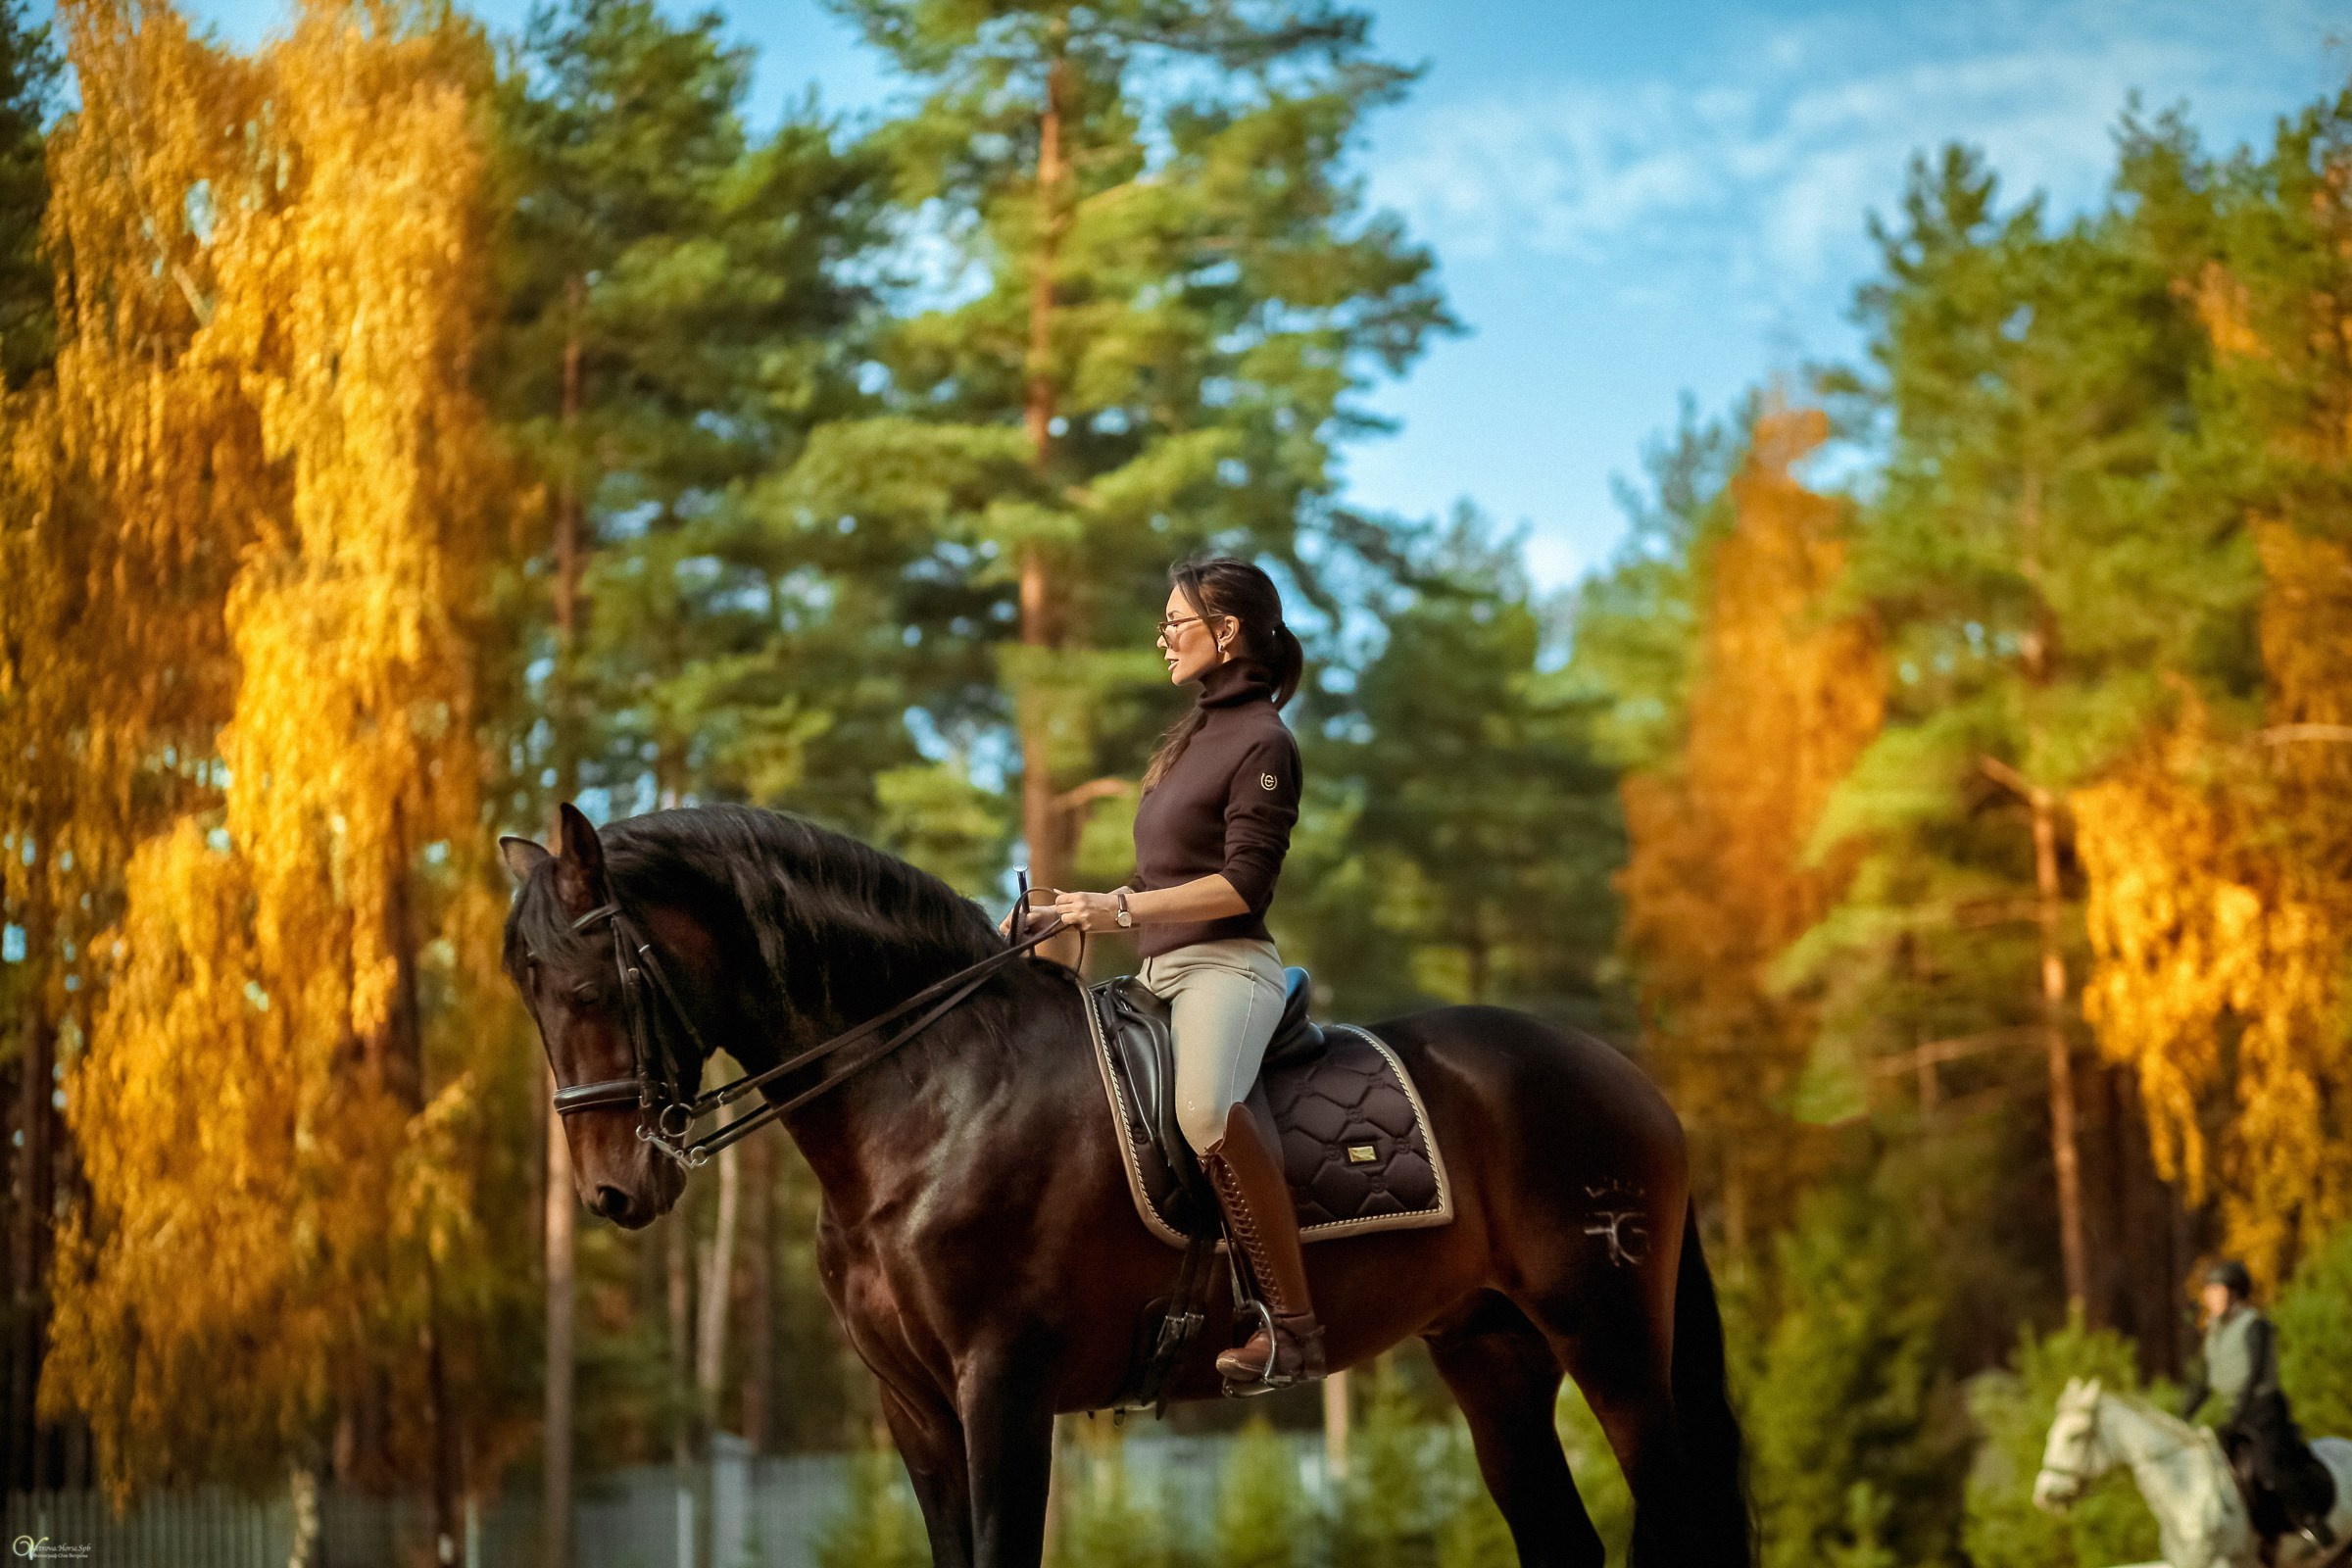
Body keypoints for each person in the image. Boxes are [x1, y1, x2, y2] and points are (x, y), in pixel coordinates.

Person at [1032, 557, 1322, 1393]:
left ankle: (1292, 1330)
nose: (1163, 639)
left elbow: (1242, 885)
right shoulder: (1193, 735)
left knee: (1203, 1109)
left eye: (1175, 623)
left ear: (1226, 632)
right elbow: (1159, 882)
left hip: (1227, 970)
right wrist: (1066, 909)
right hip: (1158, 972)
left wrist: (1114, 913)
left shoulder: (1265, 740)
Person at [2180, 1258, 2337, 1549]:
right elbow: (2201, 1384)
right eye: (2208, 1290)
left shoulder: (2254, 1325)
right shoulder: (2213, 1332)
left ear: (2234, 1292)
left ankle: (2312, 1521)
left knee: (2268, 1468)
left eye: (2215, 1289)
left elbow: (2253, 1376)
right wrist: (2180, 1419)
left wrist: (2238, 1415)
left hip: (2265, 1413)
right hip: (2235, 1415)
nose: (2208, 1296)